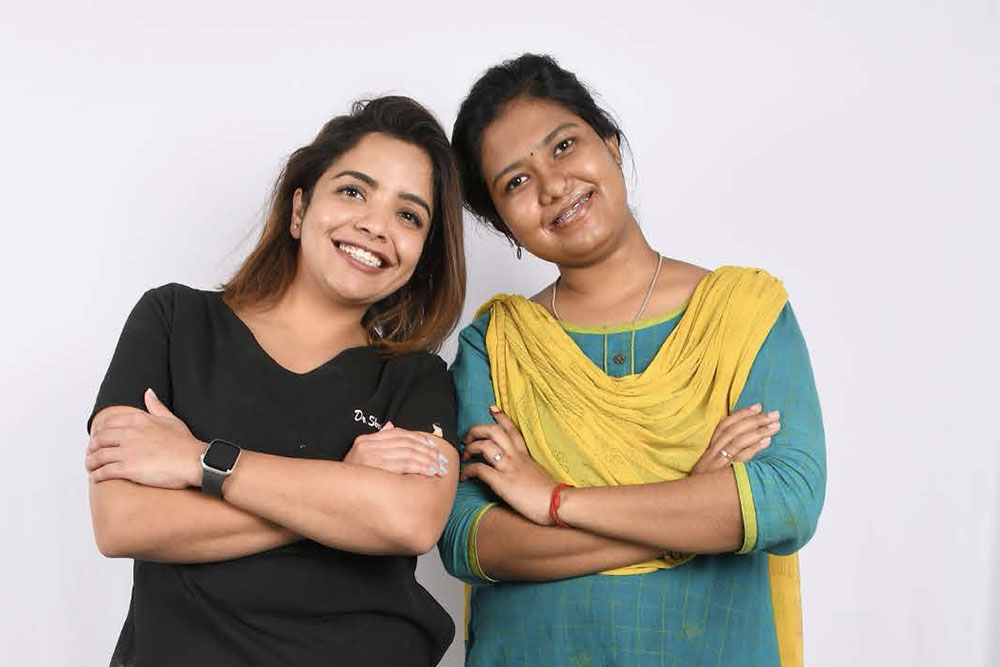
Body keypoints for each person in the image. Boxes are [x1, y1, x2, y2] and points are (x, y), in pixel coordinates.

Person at [439, 54, 826, 666]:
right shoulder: (496, 344)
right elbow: (470, 541)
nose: (553, 185)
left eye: (564, 146)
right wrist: (689, 510)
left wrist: (555, 502)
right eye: (515, 181)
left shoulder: (743, 312)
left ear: (612, 146)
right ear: (501, 223)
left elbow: (784, 501)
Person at [85, 96, 465, 667]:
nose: (375, 225)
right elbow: (123, 522)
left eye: (409, 215)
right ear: (298, 208)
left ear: (423, 255)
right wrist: (344, 490)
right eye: (353, 191)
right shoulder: (173, 321)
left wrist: (198, 463)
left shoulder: (418, 377)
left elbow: (409, 520)